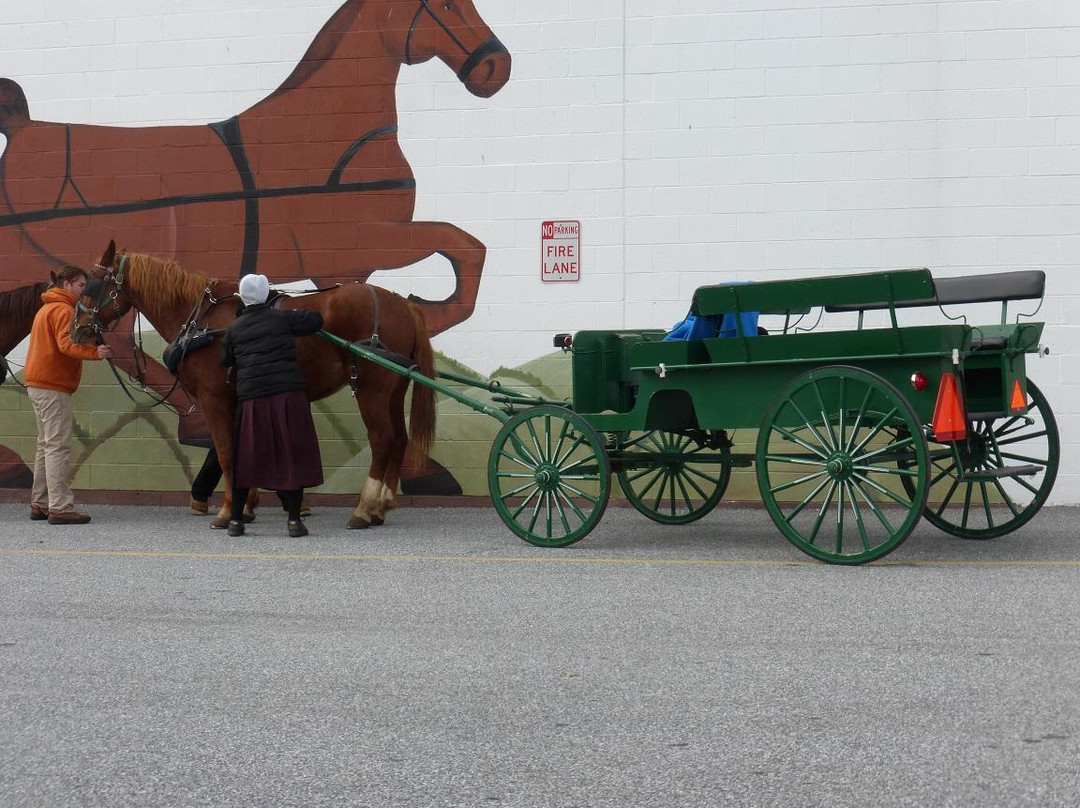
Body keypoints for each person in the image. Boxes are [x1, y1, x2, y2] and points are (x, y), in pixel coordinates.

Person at [220, 273, 324, 538]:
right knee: (292, 456)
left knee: (245, 460)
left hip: (252, 400)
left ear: (243, 297)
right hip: (288, 396)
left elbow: (225, 359)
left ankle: (236, 522)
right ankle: (294, 521)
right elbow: (315, 321)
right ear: (266, 294)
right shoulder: (283, 319)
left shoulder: (234, 329)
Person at [25, 265, 113, 525]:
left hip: (38, 384)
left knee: (45, 446)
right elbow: (66, 345)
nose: (83, 291)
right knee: (57, 447)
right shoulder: (63, 310)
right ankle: (61, 508)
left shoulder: (46, 309)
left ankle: (40, 503)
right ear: (66, 284)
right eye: (80, 286)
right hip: (53, 387)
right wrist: (95, 353)